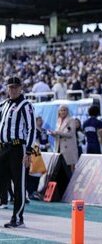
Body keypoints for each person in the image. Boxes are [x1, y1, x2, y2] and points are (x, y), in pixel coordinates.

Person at [0, 77, 35, 228]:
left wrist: (28, 151)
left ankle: (18, 218)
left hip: (17, 148)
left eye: (15, 87)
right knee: (2, 180)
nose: (13, 90)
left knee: (18, 183)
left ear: (21, 88)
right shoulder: (4, 104)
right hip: (3, 147)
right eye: (10, 87)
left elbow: (32, 128)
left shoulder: (25, 105)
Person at [49, 105, 79, 171]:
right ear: (59, 112)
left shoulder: (71, 120)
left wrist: (57, 132)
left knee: (68, 168)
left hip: (68, 148)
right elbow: (58, 133)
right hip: (59, 147)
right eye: (61, 110)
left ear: (67, 111)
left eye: (64, 110)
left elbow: (70, 134)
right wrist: (53, 134)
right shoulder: (58, 120)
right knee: (59, 168)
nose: (63, 112)